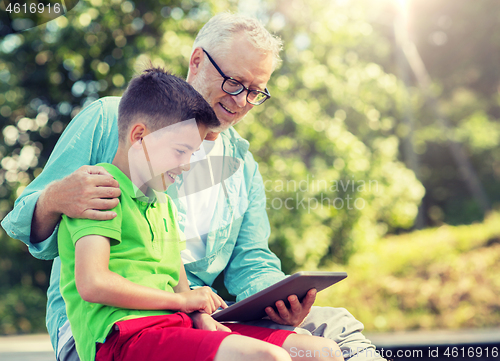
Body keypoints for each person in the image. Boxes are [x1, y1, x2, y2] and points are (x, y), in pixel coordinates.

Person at [2, 13, 385, 361]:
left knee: (334, 329)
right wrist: (55, 199)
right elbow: (26, 224)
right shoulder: (113, 118)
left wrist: (282, 301)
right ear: (197, 61)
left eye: (255, 92)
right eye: (234, 82)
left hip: (200, 315)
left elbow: (251, 261)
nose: (241, 102)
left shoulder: (241, 165)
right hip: (115, 323)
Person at [57, 67, 344, 361]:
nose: (185, 165)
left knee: (322, 352)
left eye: (191, 154)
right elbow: (93, 283)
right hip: (122, 337)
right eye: (180, 151)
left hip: (175, 326)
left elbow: (182, 287)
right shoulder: (98, 190)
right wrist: (180, 301)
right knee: (269, 357)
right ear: (140, 136)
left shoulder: (164, 205)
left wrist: (200, 317)